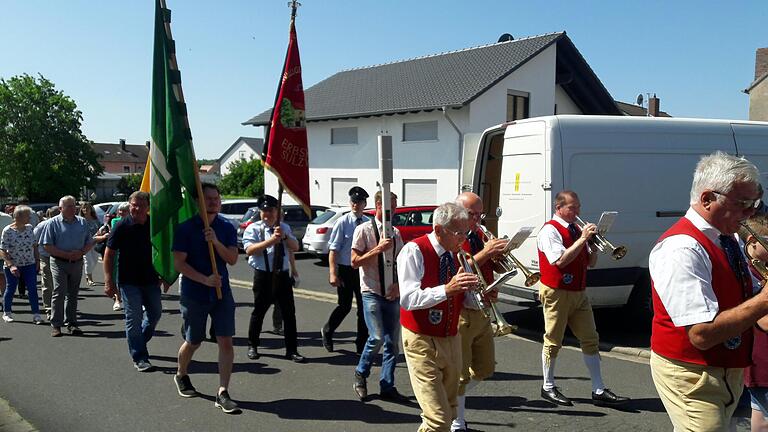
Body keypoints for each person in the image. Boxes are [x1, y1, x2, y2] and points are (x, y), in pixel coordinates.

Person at [649, 152, 768, 431]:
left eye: (754, 204)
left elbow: (745, 299)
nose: (751, 212)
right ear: (707, 199)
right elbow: (701, 334)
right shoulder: (682, 248)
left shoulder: (728, 238)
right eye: (743, 204)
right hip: (693, 373)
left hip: (726, 371)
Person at [536, 190, 627, 406]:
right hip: (557, 291)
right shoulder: (550, 230)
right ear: (559, 208)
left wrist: (593, 246)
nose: (577, 212)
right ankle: (548, 386)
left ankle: (598, 388)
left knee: (590, 338)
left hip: (579, 291)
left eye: (578, 207)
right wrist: (582, 239)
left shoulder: (576, 229)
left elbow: (589, 263)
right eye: (572, 208)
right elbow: (559, 261)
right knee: (553, 340)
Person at [397, 202, 479, 432]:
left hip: (451, 337)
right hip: (421, 338)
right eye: (458, 233)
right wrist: (446, 289)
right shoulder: (414, 250)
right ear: (438, 229)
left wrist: (479, 296)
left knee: (450, 410)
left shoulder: (458, 254)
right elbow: (408, 299)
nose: (463, 239)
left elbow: (463, 298)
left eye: (466, 232)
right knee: (438, 419)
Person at [172, 183, 240, 413]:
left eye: (216, 198)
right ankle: (181, 374)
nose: (213, 202)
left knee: (225, 340)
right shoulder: (185, 228)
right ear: (199, 201)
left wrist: (216, 242)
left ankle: (223, 391)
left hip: (222, 293)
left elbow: (232, 259)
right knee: (194, 340)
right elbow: (179, 263)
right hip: (195, 293)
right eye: (208, 198)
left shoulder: (226, 227)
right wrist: (204, 279)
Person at [451, 192, 508, 432]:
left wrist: (498, 258)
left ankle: (449, 399)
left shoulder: (477, 234)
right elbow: (460, 266)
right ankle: (457, 420)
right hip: (462, 309)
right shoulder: (452, 236)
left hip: (482, 307)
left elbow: (483, 266)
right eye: (471, 214)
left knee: (485, 368)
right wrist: (486, 251)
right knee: (461, 373)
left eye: (479, 214)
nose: (476, 219)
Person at [351, 191, 408, 402]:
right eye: (389, 207)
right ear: (377, 205)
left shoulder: (395, 232)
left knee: (392, 343)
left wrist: (398, 286)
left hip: (391, 293)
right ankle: (361, 373)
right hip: (371, 291)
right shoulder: (363, 230)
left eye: (394, 207)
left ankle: (387, 385)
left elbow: (402, 263)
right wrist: (378, 250)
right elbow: (354, 261)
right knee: (376, 337)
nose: (392, 211)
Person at [104, 192, 166, 372]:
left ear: (148, 206)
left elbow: (164, 249)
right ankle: (139, 356)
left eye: (140, 205)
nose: (136, 209)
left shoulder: (154, 224)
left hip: (151, 279)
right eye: (133, 205)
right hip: (128, 280)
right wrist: (109, 281)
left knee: (155, 314)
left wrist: (165, 274)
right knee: (134, 318)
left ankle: (138, 340)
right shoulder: (121, 226)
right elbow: (109, 254)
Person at [243, 194, 304, 363]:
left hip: (282, 275)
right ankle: (253, 345)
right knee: (259, 312)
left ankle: (292, 350)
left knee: (289, 314)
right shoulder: (254, 228)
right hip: (263, 275)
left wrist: (284, 237)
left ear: (277, 211)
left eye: (270, 210)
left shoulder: (284, 227)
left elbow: (295, 247)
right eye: (264, 211)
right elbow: (249, 250)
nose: (267, 214)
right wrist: (271, 241)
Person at [322, 186, 370, 354]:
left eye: (359, 202)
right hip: (345, 269)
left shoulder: (367, 223)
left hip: (362, 270)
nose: (356, 205)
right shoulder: (343, 222)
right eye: (353, 202)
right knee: (345, 306)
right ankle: (328, 330)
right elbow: (333, 250)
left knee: (364, 308)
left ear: (365, 204)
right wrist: (333, 273)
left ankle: (361, 344)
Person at [40, 195, 94, 337]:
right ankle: (56, 325)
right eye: (69, 206)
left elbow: (90, 241)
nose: (72, 209)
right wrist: (66, 255)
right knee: (59, 291)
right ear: (60, 208)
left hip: (77, 262)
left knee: (73, 293)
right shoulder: (52, 223)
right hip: (59, 262)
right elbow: (47, 245)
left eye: (74, 205)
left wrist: (82, 252)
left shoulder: (82, 222)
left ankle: (71, 323)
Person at [738, 215, 768, 432]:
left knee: (760, 415)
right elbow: (763, 321)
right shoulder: (747, 273)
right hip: (762, 361)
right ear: (752, 242)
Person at [1, 205, 42, 324]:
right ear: (18, 217)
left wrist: (37, 261)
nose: (29, 218)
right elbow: (2, 250)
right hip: (13, 265)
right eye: (27, 216)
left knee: (32, 289)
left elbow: (35, 246)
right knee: (11, 288)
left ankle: (36, 314)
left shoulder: (29, 228)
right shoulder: (8, 231)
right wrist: (11, 265)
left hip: (29, 264)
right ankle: (7, 312)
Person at [34, 206, 60, 315]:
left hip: (46, 256)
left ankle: (49, 308)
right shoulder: (47, 224)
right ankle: (54, 308)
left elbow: (34, 240)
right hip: (54, 256)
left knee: (47, 283)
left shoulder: (41, 225)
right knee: (59, 284)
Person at [79, 202, 101, 287]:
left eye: (87, 208)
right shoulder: (80, 220)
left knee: (94, 261)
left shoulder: (95, 220)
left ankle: (89, 273)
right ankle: (89, 279)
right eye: (83, 208)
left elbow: (99, 229)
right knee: (88, 261)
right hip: (85, 244)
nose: (85, 210)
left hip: (95, 243)